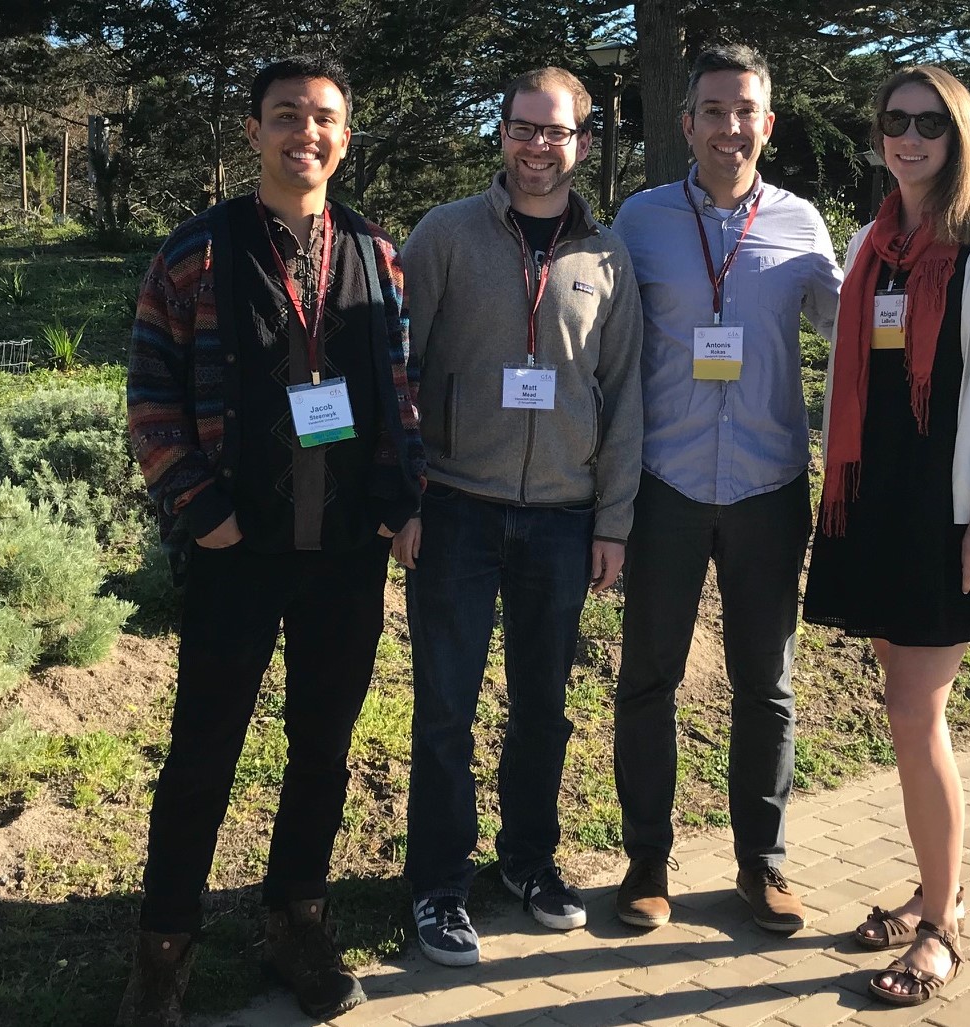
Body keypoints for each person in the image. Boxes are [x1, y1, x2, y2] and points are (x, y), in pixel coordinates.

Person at [119, 56, 424, 1026]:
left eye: (325, 116)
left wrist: (400, 494)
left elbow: (401, 390)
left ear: (346, 134)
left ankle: (296, 917)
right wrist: (198, 508)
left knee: (323, 749)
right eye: (286, 114)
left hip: (343, 551)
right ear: (252, 131)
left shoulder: (377, 253)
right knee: (202, 751)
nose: (307, 130)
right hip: (233, 550)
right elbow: (150, 397)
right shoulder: (196, 255)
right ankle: (163, 952)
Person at [802, 65, 970, 1006]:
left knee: (915, 713)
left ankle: (942, 925)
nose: (908, 139)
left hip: (949, 508)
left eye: (928, 125)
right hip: (873, 500)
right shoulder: (875, 240)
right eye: (894, 123)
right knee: (904, 709)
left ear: (958, 136)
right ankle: (930, 887)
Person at [393, 66, 643, 967]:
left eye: (557, 131)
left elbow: (623, 397)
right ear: (500, 134)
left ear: (583, 140)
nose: (539, 146)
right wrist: (404, 496)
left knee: (543, 709)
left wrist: (612, 520)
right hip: (455, 510)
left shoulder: (608, 257)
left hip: (563, 521)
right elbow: (398, 372)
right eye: (522, 129)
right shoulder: (446, 235)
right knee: (444, 713)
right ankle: (436, 884)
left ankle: (528, 863)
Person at [610, 44, 841, 934]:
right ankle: (645, 863)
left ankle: (762, 864)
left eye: (745, 111)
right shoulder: (639, 220)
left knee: (766, 686)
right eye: (713, 110)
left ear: (767, 124)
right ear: (687, 123)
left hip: (766, 485)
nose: (729, 127)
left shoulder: (801, 224)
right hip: (661, 484)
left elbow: (850, 326)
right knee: (647, 680)